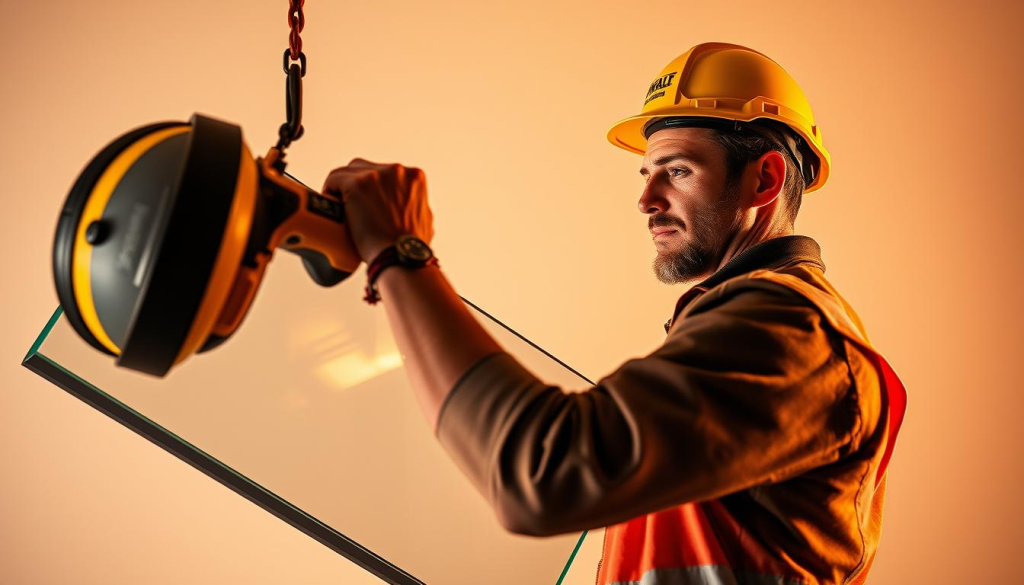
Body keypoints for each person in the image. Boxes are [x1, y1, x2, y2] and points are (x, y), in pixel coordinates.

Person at [322, 42, 907, 585]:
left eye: (677, 170)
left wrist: (400, 254)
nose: (648, 200)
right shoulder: (752, 329)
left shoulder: (789, 330)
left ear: (765, 178)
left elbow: (539, 477)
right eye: (647, 173)